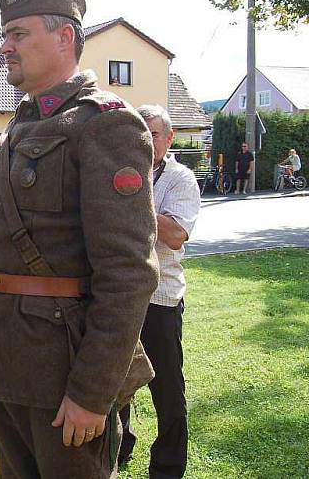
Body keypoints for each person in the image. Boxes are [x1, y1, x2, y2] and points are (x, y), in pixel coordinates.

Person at [0, 0, 159, 478]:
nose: (6, 46)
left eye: (19, 33)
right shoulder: (21, 123)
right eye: (5, 34)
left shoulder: (107, 125)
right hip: (9, 366)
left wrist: (92, 393)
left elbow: (128, 274)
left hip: (64, 377)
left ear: (64, 37)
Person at [118, 105, 200, 479]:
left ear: (168, 138)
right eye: (140, 132)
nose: (145, 139)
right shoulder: (118, 174)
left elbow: (175, 235)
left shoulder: (180, 179)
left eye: (152, 133)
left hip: (160, 299)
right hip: (118, 296)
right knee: (115, 380)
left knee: (166, 389)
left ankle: (167, 467)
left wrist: (131, 199)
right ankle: (119, 447)